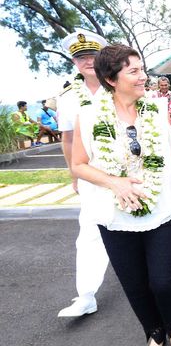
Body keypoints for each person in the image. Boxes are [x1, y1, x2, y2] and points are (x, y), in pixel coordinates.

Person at [71, 44, 171, 346]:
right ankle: (155, 332)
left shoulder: (157, 108)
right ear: (112, 79)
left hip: (161, 209)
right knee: (135, 284)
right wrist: (115, 182)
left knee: (164, 280)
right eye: (134, 71)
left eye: (142, 70)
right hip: (114, 216)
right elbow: (79, 165)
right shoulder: (88, 115)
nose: (143, 77)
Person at [56, 28, 110, 318]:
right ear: (74, 62)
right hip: (90, 173)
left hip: (126, 172)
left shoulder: (118, 85)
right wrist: (74, 174)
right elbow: (67, 139)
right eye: (80, 57)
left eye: (92, 55)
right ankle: (86, 295)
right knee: (89, 232)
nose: (87, 61)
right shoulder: (67, 97)